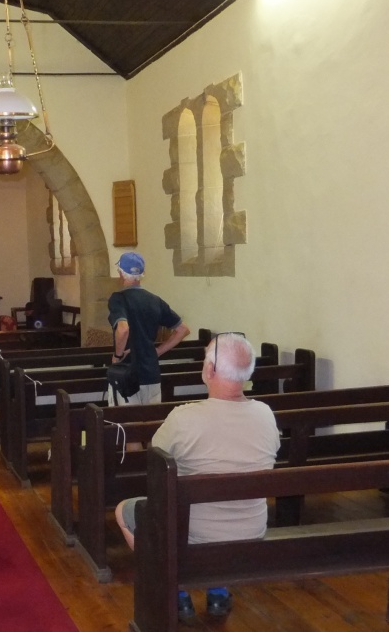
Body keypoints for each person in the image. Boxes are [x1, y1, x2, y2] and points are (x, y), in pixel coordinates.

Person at [114, 332, 281, 623]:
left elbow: (156, 458)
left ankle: (175, 589)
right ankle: (218, 591)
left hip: (194, 535)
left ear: (210, 369)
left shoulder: (184, 417)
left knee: (124, 510)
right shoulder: (266, 414)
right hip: (251, 532)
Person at [108, 251, 190, 404]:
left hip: (126, 374)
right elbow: (183, 330)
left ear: (121, 273)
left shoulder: (118, 299)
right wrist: (158, 351)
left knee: (124, 419)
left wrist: (117, 356)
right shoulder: (155, 300)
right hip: (151, 374)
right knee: (151, 417)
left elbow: (123, 329)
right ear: (141, 274)